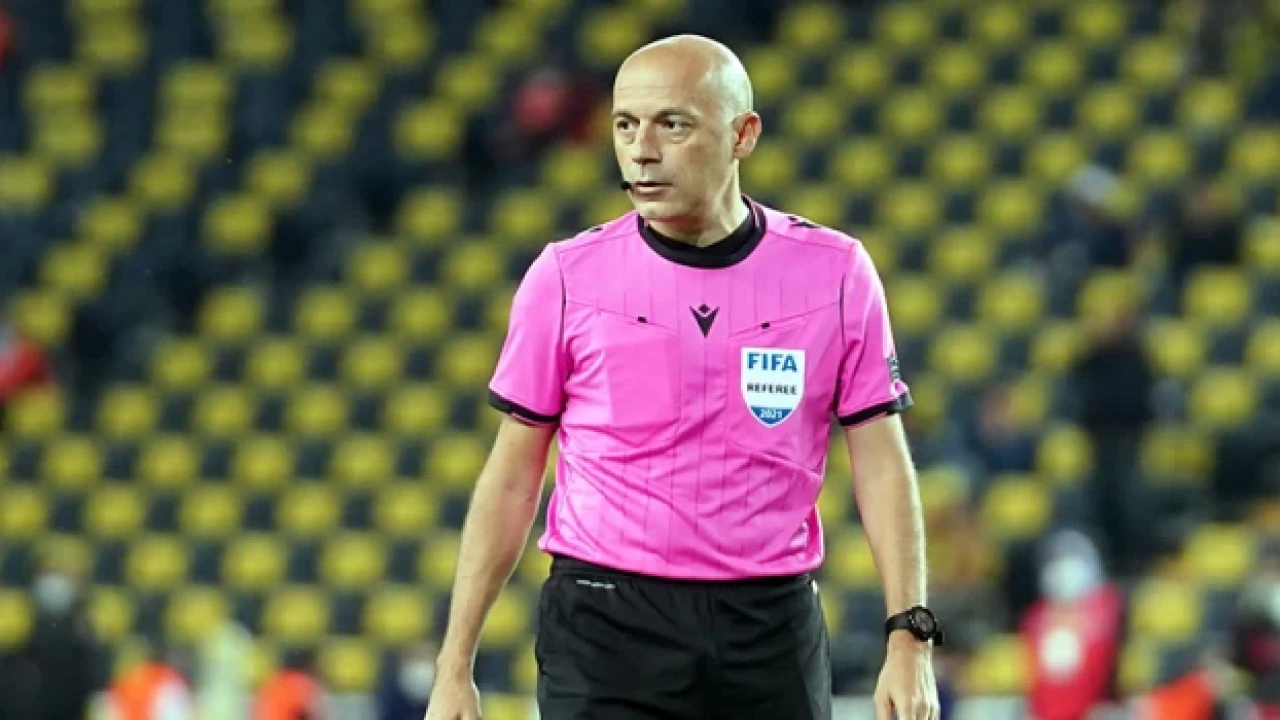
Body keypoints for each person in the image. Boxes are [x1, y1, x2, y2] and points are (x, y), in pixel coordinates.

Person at [425, 34, 942, 720]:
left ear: (742, 135)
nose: (641, 150)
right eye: (625, 125)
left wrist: (910, 636)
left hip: (769, 627)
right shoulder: (566, 278)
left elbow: (881, 463)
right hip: (607, 625)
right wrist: (454, 665)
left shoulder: (836, 274)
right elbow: (513, 475)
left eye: (672, 124)